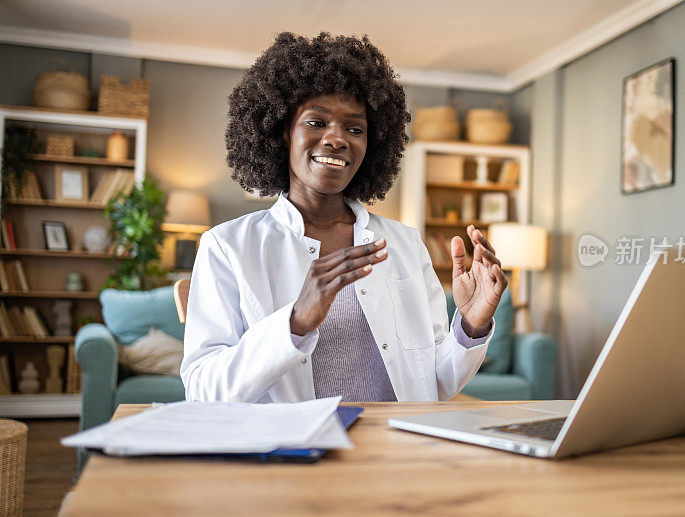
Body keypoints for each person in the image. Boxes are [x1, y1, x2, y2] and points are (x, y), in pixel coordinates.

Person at [181, 32, 508, 403]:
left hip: (396, 448)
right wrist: (295, 321)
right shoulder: (227, 247)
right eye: (316, 122)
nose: (337, 138)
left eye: (355, 128)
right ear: (282, 132)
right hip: (292, 450)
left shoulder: (404, 243)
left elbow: (432, 384)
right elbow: (202, 390)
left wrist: (472, 325)